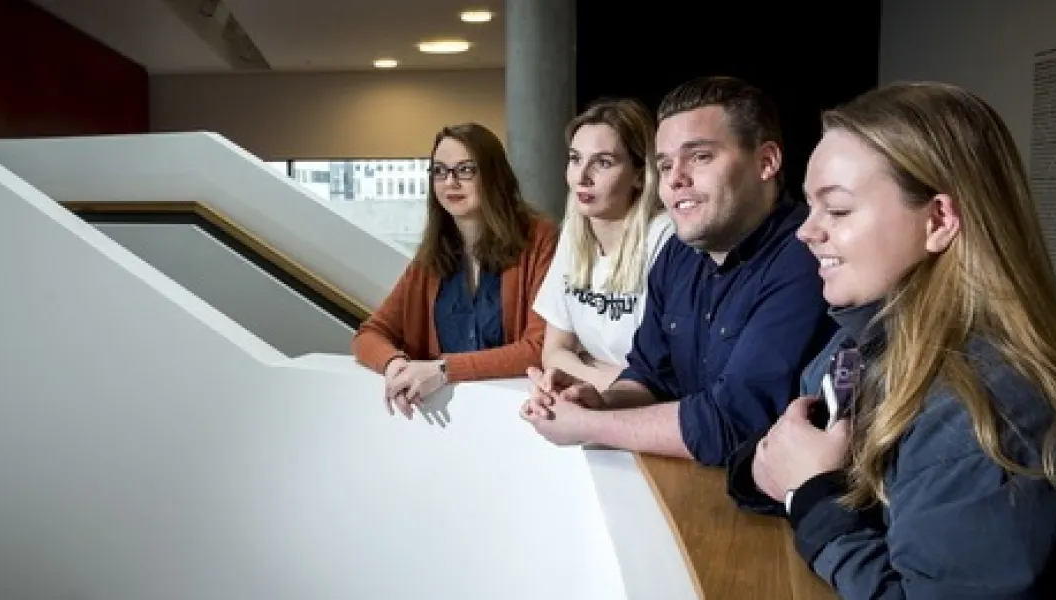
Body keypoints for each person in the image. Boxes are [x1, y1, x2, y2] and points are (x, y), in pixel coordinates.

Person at [731, 81, 1056, 597]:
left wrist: (810, 497)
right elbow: (797, 463)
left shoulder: (989, 408)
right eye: (809, 206)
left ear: (938, 220)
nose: (806, 230)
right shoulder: (857, 339)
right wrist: (770, 469)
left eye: (838, 209)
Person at [523, 76, 835, 466]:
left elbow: (732, 423)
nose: (675, 179)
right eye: (665, 164)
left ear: (766, 162)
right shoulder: (678, 255)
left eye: (700, 157)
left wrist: (589, 425)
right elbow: (650, 378)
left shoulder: (808, 256)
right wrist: (599, 401)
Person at [353, 122, 558, 419]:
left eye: (465, 170)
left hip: (520, 416)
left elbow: (539, 347)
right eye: (439, 171)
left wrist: (444, 369)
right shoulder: (431, 256)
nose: (450, 182)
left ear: (493, 175)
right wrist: (395, 365)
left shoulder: (539, 237)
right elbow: (369, 334)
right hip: (451, 419)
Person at [531, 98, 673, 391]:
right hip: (608, 403)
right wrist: (605, 377)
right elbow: (553, 352)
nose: (582, 177)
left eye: (603, 163)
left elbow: (666, 378)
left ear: (638, 174)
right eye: (575, 159)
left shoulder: (666, 237)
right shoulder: (574, 234)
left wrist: (584, 369)